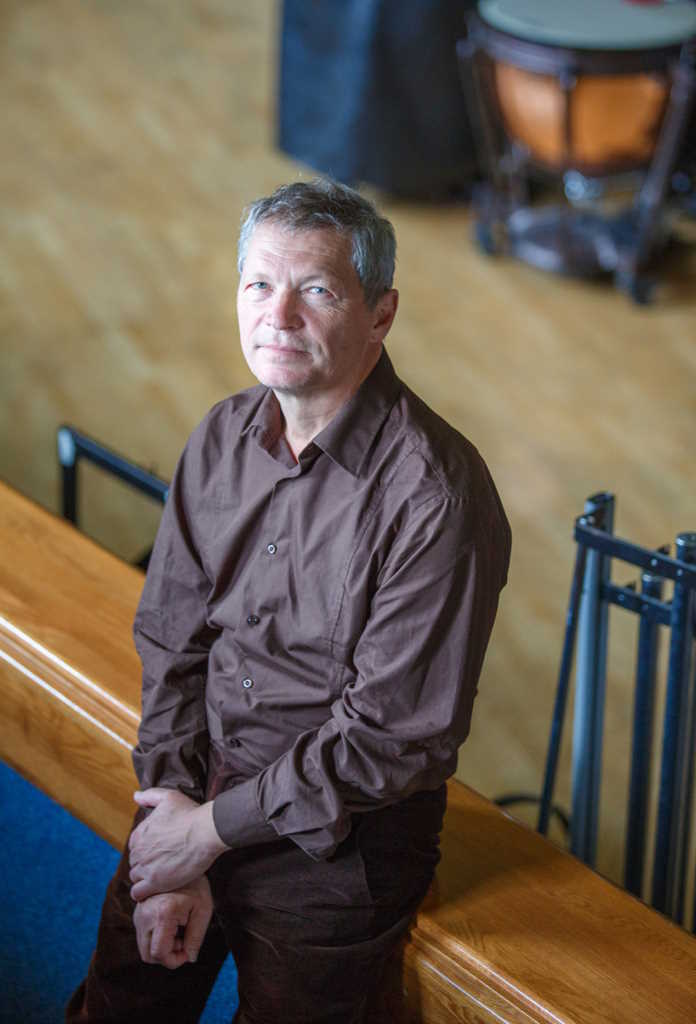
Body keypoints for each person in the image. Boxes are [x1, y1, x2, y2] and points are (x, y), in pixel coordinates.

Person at [67, 178, 511, 1024]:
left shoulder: (437, 498)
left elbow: (390, 740)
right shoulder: (221, 435)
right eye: (259, 284)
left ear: (380, 314)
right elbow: (172, 640)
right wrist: (173, 807)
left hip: (338, 845)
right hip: (202, 782)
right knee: (116, 1009)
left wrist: (206, 835)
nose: (279, 316)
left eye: (317, 291)